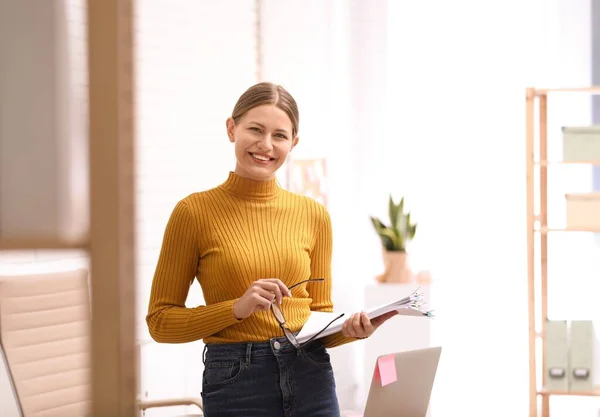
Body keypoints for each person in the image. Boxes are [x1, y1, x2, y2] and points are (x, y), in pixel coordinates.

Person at [146, 82, 398, 417]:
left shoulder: (313, 215)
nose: (266, 145)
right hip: (238, 382)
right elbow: (160, 322)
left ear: (293, 143)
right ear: (231, 128)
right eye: (255, 129)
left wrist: (351, 331)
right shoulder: (193, 212)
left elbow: (317, 317)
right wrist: (236, 309)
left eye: (279, 135)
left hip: (312, 376)